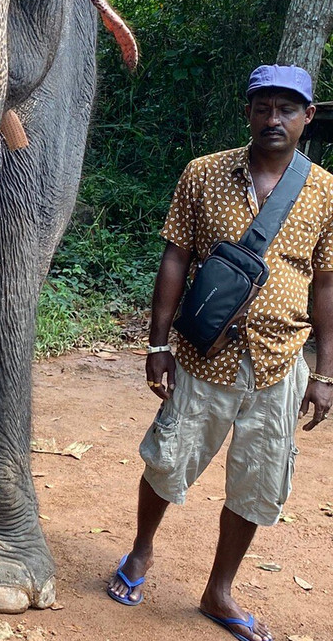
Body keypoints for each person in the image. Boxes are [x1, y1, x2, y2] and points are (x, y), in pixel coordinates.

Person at [107, 65, 333, 641]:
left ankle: (219, 590)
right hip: (204, 355)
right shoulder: (204, 174)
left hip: (282, 360)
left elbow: (326, 283)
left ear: (308, 117)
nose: (273, 118)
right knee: (167, 459)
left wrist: (326, 372)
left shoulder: (326, 190)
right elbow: (176, 258)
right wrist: (158, 342)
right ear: (249, 112)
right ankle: (140, 553)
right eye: (263, 107)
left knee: (258, 483)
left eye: (288, 109)